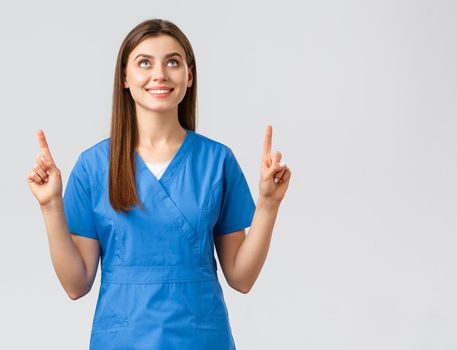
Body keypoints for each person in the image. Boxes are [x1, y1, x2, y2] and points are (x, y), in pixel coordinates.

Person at [26, 18, 291, 349]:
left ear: (189, 76)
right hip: (123, 340)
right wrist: (50, 205)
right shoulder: (95, 166)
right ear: (124, 77)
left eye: (173, 62)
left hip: (199, 339)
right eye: (144, 63)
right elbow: (75, 285)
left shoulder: (216, 162)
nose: (160, 74)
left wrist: (268, 204)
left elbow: (242, 277)